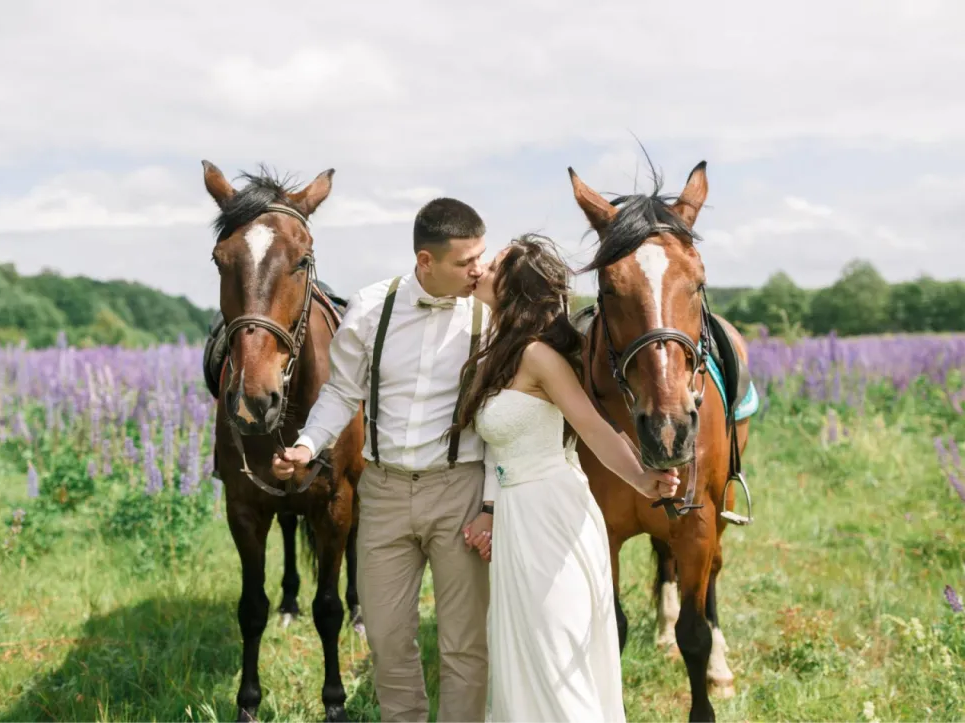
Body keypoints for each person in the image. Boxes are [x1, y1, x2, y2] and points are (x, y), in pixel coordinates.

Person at [270, 197, 495, 722]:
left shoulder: (491, 314)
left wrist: (490, 505)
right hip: (385, 493)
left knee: (464, 646)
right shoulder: (372, 308)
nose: (478, 270)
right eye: (466, 262)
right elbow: (341, 393)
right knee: (389, 641)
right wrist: (306, 445)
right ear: (425, 261)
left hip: (459, 491)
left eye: (480, 257)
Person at [458, 234, 680, 722]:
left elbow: (594, 429)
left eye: (493, 265)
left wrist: (643, 480)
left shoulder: (539, 356)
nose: (481, 271)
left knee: (556, 649)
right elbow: (498, 449)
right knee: (524, 651)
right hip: (518, 515)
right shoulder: (500, 349)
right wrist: (492, 511)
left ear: (514, 288)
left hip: (552, 514)